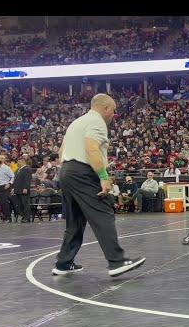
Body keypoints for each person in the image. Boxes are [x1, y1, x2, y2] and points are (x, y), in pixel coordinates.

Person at [54, 93, 145, 277]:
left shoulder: (77, 122)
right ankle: (117, 261)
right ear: (105, 108)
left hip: (67, 171)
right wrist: (103, 177)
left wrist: (71, 172)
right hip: (83, 172)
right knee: (103, 213)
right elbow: (91, 148)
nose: (114, 114)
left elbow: (61, 151)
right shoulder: (97, 122)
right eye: (113, 110)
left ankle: (63, 263)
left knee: (75, 221)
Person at [10, 155, 33, 222]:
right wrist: (13, 188)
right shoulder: (18, 170)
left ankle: (27, 218)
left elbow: (27, 179)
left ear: (23, 161)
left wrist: (26, 188)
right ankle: (23, 216)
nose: (17, 162)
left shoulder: (27, 168)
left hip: (23, 189)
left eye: (19, 161)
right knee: (19, 204)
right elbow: (16, 180)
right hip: (17, 190)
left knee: (25, 204)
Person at [0, 155, 14, 222]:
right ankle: (4, 217)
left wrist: (9, 183)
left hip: (4, 187)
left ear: (3, 160)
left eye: (0, 158)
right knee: (1, 203)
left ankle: (8, 218)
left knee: (5, 203)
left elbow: (13, 176)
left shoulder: (6, 168)